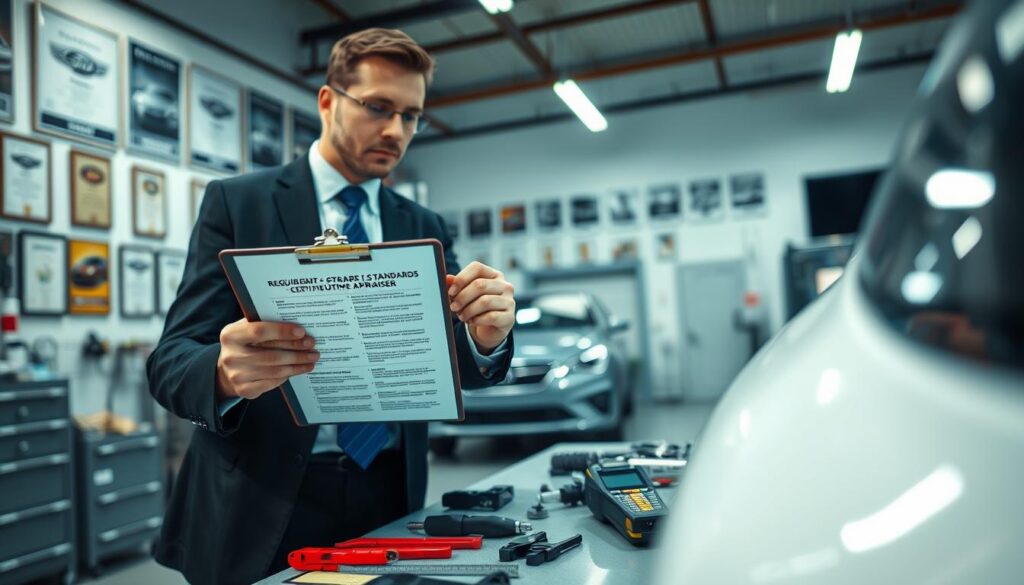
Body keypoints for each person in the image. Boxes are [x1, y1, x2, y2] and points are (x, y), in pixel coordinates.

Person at [146, 28, 516, 585]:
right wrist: (222, 375)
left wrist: (484, 338)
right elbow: (170, 359)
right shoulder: (239, 203)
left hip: (388, 493)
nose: (396, 130)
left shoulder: (423, 226)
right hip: (263, 497)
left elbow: (450, 364)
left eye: (411, 116)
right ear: (327, 101)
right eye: (377, 107)